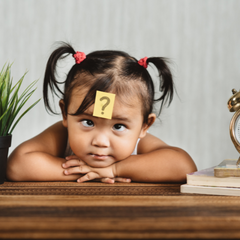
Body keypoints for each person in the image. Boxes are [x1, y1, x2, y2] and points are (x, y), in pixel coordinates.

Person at [6, 42, 197, 184]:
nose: (100, 141)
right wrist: (85, 172)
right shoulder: (63, 135)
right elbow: (17, 166)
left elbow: (184, 167)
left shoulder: (138, 144)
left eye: (118, 126)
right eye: (88, 122)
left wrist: (114, 169)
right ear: (65, 114)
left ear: (144, 126)